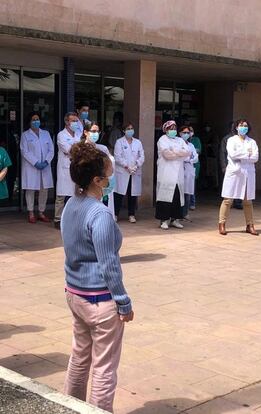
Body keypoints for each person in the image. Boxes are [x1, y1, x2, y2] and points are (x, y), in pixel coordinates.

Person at [61, 141, 133, 413]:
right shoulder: (100, 214)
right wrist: (123, 301)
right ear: (96, 180)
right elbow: (109, 264)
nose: (111, 177)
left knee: (79, 357)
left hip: (76, 293)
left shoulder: (70, 206)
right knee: (104, 368)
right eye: (107, 173)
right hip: (100, 301)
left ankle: (70, 406)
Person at [219, 119, 259, 236]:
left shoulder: (252, 142)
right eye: (241, 125)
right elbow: (232, 154)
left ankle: (250, 225)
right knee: (228, 200)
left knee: (248, 201)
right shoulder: (231, 140)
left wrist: (242, 155)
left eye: (246, 125)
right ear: (236, 127)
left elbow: (255, 157)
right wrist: (247, 154)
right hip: (235, 172)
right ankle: (222, 223)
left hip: (248, 173)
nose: (243, 127)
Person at [155, 120, 191, 230]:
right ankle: (164, 220)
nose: (173, 130)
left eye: (175, 128)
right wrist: (179, 153)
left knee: (177, 197)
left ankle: (175, 219)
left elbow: (187, 152)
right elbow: (167, 155)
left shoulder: (180, 140)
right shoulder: (162, 139)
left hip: (178, 174)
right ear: (166, 129)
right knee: (165, 197)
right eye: (171, 128)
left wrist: (175, 151)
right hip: (166, 173)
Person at [20, 112, 54, 223]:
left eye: (37, 119)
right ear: (29, 122)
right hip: (31, 167)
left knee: (44, 190)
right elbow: (24, 151)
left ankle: (41, 212)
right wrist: (35, 163)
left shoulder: (46, 133)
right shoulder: (25, 135)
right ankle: (31, 212)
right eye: (33, 119)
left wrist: (46, 161)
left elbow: (51, 150)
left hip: (45, 166)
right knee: (30, 190)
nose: (36, 121)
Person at [82, 122, 116, 218]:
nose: (96, 134)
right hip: (87, 184)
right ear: (86, 132)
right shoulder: (80, 148)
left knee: (102, 210)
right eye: (93, 131)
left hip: (101, 184)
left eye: (97, 131)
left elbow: (111, 163)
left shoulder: (103, 148)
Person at [54, 112, 82, 229]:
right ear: (66, 122)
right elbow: (68, 150)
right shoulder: (61, 135)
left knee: (74, 194)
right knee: (61, 195)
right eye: (73, 121)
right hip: (65, 168)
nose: (75, 123)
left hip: (75, 167)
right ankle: (57, 219)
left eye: (76, 121)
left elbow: (79, 149)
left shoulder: (78, 135)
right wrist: (77, 149)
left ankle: (71, 218)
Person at [114, 123, 145, 223]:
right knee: (119, 194)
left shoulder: (138, 142)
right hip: (123, 171)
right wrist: (127, 166)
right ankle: (115, 214)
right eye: (128, 129)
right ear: (124, 131)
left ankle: (131, 214)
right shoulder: (119, 142)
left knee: (132, 194)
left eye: (132, 128)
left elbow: (142, 156)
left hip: (135, 171)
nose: (130, 130)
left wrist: (136, 165)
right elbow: (117, 157)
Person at [219, 122, 243, 209]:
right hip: (229, 165)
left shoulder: (243, 139)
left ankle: (238, 202)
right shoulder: (226, 139)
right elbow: (222, 153)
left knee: (239, 184)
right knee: (229, 185)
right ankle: (228, 202)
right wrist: (223, 166)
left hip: (241, 166)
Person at [180, 126, 199, 220]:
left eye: (188, 132)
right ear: (180, 133)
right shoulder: (178, 144)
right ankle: (179, 214)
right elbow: (181, 156)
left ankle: (185, 213)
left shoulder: (191, 145)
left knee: (188, 194)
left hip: (190, 169)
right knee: (180, 194)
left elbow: (196, 157)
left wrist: (189, 158)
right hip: (181, 170)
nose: (186, 134)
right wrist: (189, 157)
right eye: (184, 132)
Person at [188, 126, 201, 210]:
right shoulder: (181, 141)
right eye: (187, 131)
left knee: (192, 184)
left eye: (191, 131)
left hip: (194, 165)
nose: (189, 133)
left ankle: (192, 203)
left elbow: (198, 151)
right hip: (184, 166)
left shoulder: (196, 140)